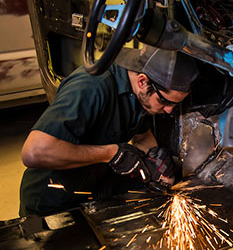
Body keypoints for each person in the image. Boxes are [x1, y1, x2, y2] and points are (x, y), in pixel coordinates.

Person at [19, 45, 199, 216]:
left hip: (93, 191)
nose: (168, 111)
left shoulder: (139, 93)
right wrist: (111, 153)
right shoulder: (91, 86)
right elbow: (34, 152)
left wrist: (154, 157)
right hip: (52, 201)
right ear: (142, 81)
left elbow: (142, 135)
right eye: (165, 102)